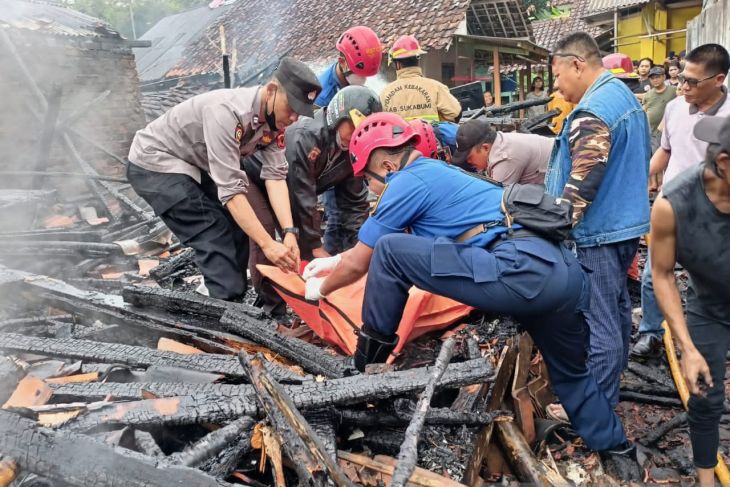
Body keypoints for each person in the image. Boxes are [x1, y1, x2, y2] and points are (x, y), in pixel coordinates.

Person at [301, 112, 638, 465]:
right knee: (572, 374)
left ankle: (362, 373)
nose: (369, 191)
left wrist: (320, 289)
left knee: (390, 253)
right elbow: (367, 253)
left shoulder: (405, 182)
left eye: (366, 181)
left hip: (521, 271)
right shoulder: (443, 173)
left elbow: (365, 260)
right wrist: (335, 262)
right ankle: (618, 452)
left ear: (385, 165)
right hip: (560, 272)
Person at [126, 57, 321, 301]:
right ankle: (225, 309)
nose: (294, 118)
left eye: (299, 113)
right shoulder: (228, 114)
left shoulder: (273, 122)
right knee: (213, 230)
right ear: (271, 90)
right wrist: (269, 245)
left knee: (238, 226)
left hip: (191, 164)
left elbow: (276, 176)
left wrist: (289, 232)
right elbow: (231, 192)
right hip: (154, 164)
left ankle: (231, 299)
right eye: (291, 108)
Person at [546, 32, 651, 417]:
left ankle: (594, 413)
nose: (556, 86)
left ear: (577, 64)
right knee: (618, 308)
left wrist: (553, 226)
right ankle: (611, 386)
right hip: (623, 223)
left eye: (558, 76)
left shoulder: (593, 110)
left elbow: (584, 180)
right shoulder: (621, 96)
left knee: (600, 322)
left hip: (600, 232)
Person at [242, 85, 381, 315]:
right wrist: (315, 246)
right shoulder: (305, 136)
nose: (356, 136)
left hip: (294, 187)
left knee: (312, 249)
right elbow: (301, 200)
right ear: (339, 116)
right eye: (354, 129)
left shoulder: (352, 149)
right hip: (257, 177)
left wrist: (358, 254)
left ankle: (319, 301)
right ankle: (271, 309)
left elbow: (354, 204)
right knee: (267, 236)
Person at [633, 43, 730, 359]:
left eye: (692, 82)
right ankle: (650, 331)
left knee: (712, 278)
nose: (683, 86)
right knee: (655, 275)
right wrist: (644, 176)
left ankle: (715, 336)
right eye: (682, 79)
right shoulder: (674, 108)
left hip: (715, 213)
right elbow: (666, 149)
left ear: (718, 80)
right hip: (672, 207)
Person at [650, 114, 730, 487]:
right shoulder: (673, 205)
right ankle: (705, 480)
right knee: (705, 396)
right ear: (725, 164)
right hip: (711, 307)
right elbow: (663, 274)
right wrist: (686, 347)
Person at [316, 27, 382, 260]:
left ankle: (353, 256)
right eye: (357, 73)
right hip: (329, 160)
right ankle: (334, 258)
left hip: (353, 155)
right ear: (341, 61)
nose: (362, 80)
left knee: (355, 208)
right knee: (335, 212)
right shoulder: (321, 93)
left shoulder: (364, 90)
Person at [379, 35, 461, 122]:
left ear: (397, 64)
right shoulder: (436, 88)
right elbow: (455, 114)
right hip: (429, 135)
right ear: (418, 60)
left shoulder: (384, 93)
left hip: (398, 136)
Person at [451, 118, 553, 185]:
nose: (468, 162)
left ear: (485, 148)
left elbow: (497, 200)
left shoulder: (505, 158)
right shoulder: (499, 141)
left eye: (469, 157)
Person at [314, 26, 382, 107]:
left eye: (367, 75)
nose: (365, 80)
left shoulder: (351, 75)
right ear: (342, 63)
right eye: (361, 75)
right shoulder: (323, 98)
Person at [642, 66, 676, 152]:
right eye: (652, 78)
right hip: (653, 133)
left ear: (664, 77)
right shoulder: (648, 94)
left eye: (657, 77)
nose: (655, 80)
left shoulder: (673, 91)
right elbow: (645, 110)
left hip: (669, 131)